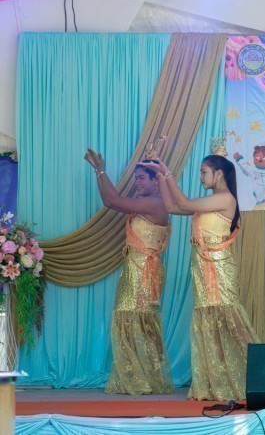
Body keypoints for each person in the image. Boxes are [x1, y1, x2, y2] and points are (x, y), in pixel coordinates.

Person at [141, 143, 258, 401]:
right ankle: (218, 383)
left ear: (219, 174)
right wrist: (160, 174)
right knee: (210, 324)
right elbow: (173, 207)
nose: (200, 177)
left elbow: (182, 202)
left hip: (218, 268)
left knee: (227, 321)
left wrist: (166, 171)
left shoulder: (225, 198)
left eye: (204, 172)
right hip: (203, 267)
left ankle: (259, 377)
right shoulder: (210, 201)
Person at [85, 147, 173, 395]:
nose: (137, 182)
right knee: (135, 322)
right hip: (136, 268)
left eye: (142, 178)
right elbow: (109, 201)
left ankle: (142, 381)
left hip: (143, 270)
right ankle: (143, 379)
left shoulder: (155, 203)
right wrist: (99, 172)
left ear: (156, 181)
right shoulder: (147, 203)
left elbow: (112, 201)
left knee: (136, 321)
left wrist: (100, 171)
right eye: (136, 178)